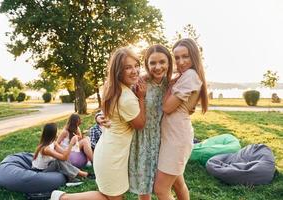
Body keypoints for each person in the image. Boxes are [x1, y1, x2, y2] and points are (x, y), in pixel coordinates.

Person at [51, 47, 146, 200]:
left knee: (109, 197)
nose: (135, 71)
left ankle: (62, 198)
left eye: (136, 65)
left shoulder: (113, 88)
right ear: (118, 71)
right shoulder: (127, 98)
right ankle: (63, 198)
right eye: (128, 67)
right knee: (112, 198)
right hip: (112, 157)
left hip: (109, 151)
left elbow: (108, 114)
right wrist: (141, 98)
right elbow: (140, 124)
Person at [154, 38, 208, 200]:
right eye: (177, 58)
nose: (181, 62)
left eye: (185, 57)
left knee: (161, 189)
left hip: (176, 139)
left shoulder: (190, 75)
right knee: (178, 183)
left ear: (194, 56)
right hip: (174, 136)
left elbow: (167, 107)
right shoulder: (186, 75)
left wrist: (169, 85)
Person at [128, 44, 173, 200]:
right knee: (145, 185)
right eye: (152, 63)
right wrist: (99, 116)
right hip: (143, 138)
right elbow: (118, 101)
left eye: (162, 62)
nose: (158, 67)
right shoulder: (139, 83)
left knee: (166, 184)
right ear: (146, 64)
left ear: (169, 63)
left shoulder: (171, 84)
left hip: (163, 138)